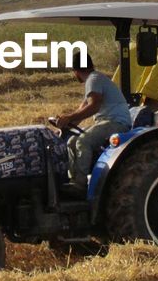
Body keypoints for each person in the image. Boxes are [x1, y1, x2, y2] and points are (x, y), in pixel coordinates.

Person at [54, 52, 132, 190]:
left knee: (83, 141)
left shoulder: (94, 79)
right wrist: (63, 126)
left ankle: (80, 184)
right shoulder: (95, 80)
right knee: (71, 141)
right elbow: (82, 109)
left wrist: (69, 118)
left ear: (75, 71)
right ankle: (72, 180)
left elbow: (93, 106)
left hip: (116, 122)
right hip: (105, 122)